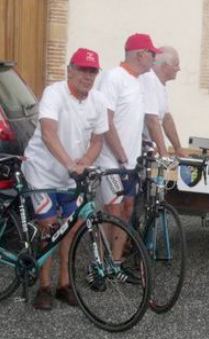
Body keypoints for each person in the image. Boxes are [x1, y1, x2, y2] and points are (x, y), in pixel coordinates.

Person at [21, 48, 107, 310]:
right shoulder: (55, 92)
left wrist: (85, 162)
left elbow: (98, 139)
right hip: (43, 171)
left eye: (92, 71)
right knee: (49, 227)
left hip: (71, 174)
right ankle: (44, 287)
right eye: (82, 69)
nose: (87, 76)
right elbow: (48, 134)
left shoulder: (98, 100)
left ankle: (63, 285)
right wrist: (70, 162)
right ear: (70, 70)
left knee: (70, 228)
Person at [95, 33, 160, 283]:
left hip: (130, 162)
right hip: (110, 161)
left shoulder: (139, 81)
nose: (154, 58)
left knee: (127, 211)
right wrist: (120, 152)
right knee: (112, 210)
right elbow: (105, 119)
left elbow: (142, 121)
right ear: (140, 54)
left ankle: (116, 263)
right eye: (151, 53)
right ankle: (98, 264)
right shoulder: (114, 77)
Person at [140, 45, 187, 157]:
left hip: (147, 147)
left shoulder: (161, 83)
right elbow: (151, 120)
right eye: (176, 65)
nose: (179, 69)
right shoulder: (149, 79)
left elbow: (166, 118)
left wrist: (178, 148)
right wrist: (164, 153)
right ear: (165, 66)